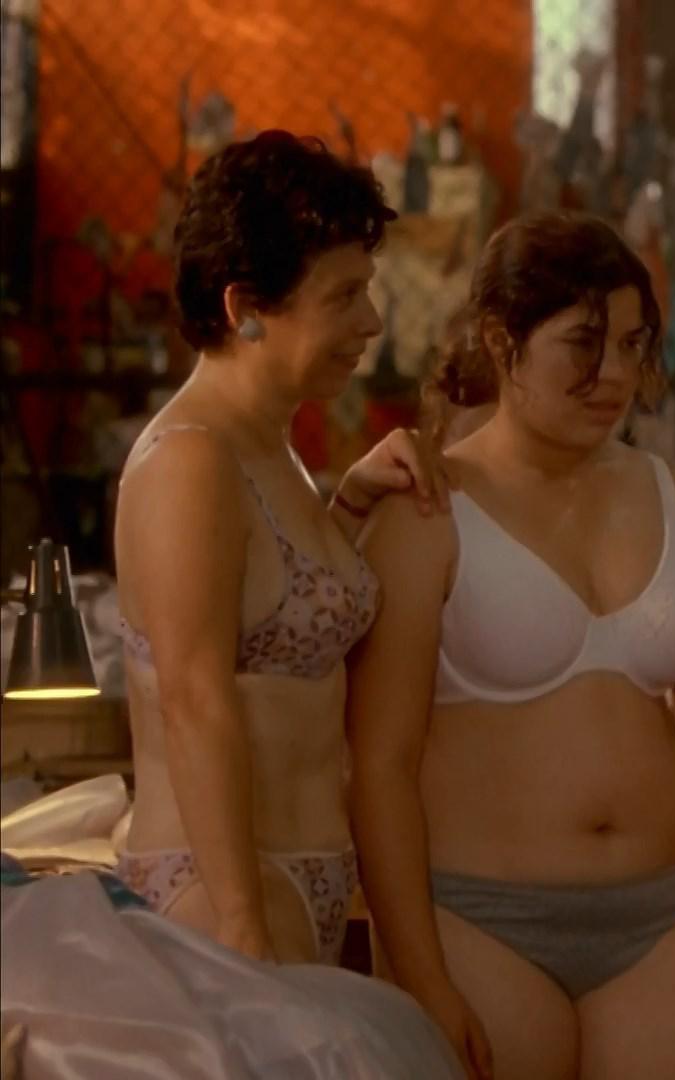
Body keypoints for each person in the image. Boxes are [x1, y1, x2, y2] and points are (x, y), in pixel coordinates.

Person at [347, 210, 675, 1080]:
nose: (613, 373)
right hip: (482, 919)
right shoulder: (428, 510)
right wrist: (422, 974)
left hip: (662, 915)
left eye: (631, 344)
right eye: (584, 343)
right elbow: (378, 766)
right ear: (502, 341)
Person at [114, 130, 446, 968]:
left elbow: (271, 602)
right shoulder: (190, 459)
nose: (371, 322)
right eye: (343, 297)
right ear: (244, 307)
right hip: (221, 888)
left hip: (303, 879)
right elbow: (194, 700)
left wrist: (349, 506)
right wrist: (240, 925)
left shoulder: (273, 449)